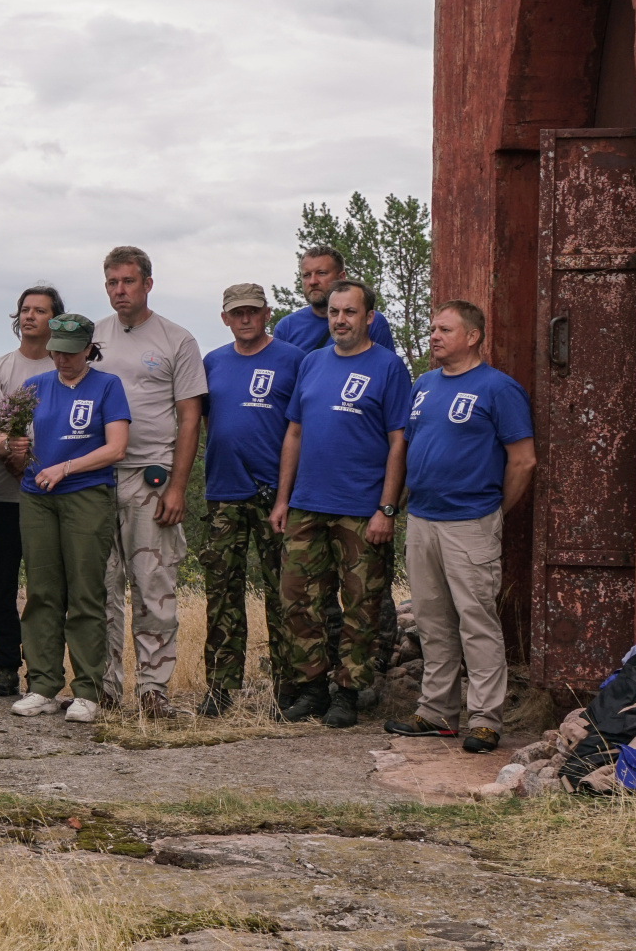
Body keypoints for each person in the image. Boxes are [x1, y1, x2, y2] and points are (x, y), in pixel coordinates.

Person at [385, 301, 536, 754]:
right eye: (432, 328)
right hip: (423, 520)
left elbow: (523, 459)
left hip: (470, 522)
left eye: (444, 329)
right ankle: (437, 713)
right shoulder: (425, 385)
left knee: (477, 623)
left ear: (472, 336)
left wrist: (492, 512)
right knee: (433, 622)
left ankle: (486, 719)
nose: (434, 336)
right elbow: (410, 446)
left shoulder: (498, 389)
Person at [268, 280, 411, 728]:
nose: (340, 320)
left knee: (361, 604)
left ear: (369, 317)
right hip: (306, 505)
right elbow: (294, 433)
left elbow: (398, 443)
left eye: (350, 312)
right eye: (333, 312)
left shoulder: (389, 367)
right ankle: (310, 688)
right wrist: (283, 499)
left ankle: (348, 692)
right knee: (298, 600)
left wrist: (387, 509)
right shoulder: (312, 363)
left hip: (360, 510)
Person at [92, 247, 207, 718]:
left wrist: (177, 487)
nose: (121, 290)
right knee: (100, 588)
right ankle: (101, 686)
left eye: (129, 282)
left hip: (150, 477)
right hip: (96, 477)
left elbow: (190, 417)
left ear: (148, 284)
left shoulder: (176, 339)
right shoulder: (92, 336)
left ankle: (153, 690)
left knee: (152, 586)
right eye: (113, 283)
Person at [9, 314, 132, 723]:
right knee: (42, 592)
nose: (61, 359)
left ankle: (87, 692)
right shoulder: (34, 387)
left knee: (85, 593)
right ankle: (42, 686)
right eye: (55, 351)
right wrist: (10, 444)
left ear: (88, 349)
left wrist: (66, 467)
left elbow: (116, 448)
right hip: (37, 496)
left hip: (86, 494)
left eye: (70, 352)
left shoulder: (107, 386)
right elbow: (13, 439)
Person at [198, 283, 303, 718]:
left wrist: (284, 495)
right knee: (222, 595)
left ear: (266, 314)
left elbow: (301, 429)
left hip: (274, 498)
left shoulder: (293, 360)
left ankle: (288, 690)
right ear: (225, 317)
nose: (245, 319)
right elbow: (206, 423)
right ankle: (221, 689)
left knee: (283, 594)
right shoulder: (212, 362)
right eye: (236, 312)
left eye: (252, 311)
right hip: (224, 495)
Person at [0, 286, 62, 696]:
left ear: (55, 319)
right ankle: (6, 664)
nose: (30, 316)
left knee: (47, 589)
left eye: (40, 310)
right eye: (25, 310)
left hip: (53, 496)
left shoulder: (65, 366)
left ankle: (44, 672)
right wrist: (11, 459)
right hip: (2, 495)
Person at [272, 246, 399, 355]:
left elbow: (386, 374)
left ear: (341, 278)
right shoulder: (286, 328)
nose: (313, 281)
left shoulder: (370, 322)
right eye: (306, 275)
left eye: (321, 273)